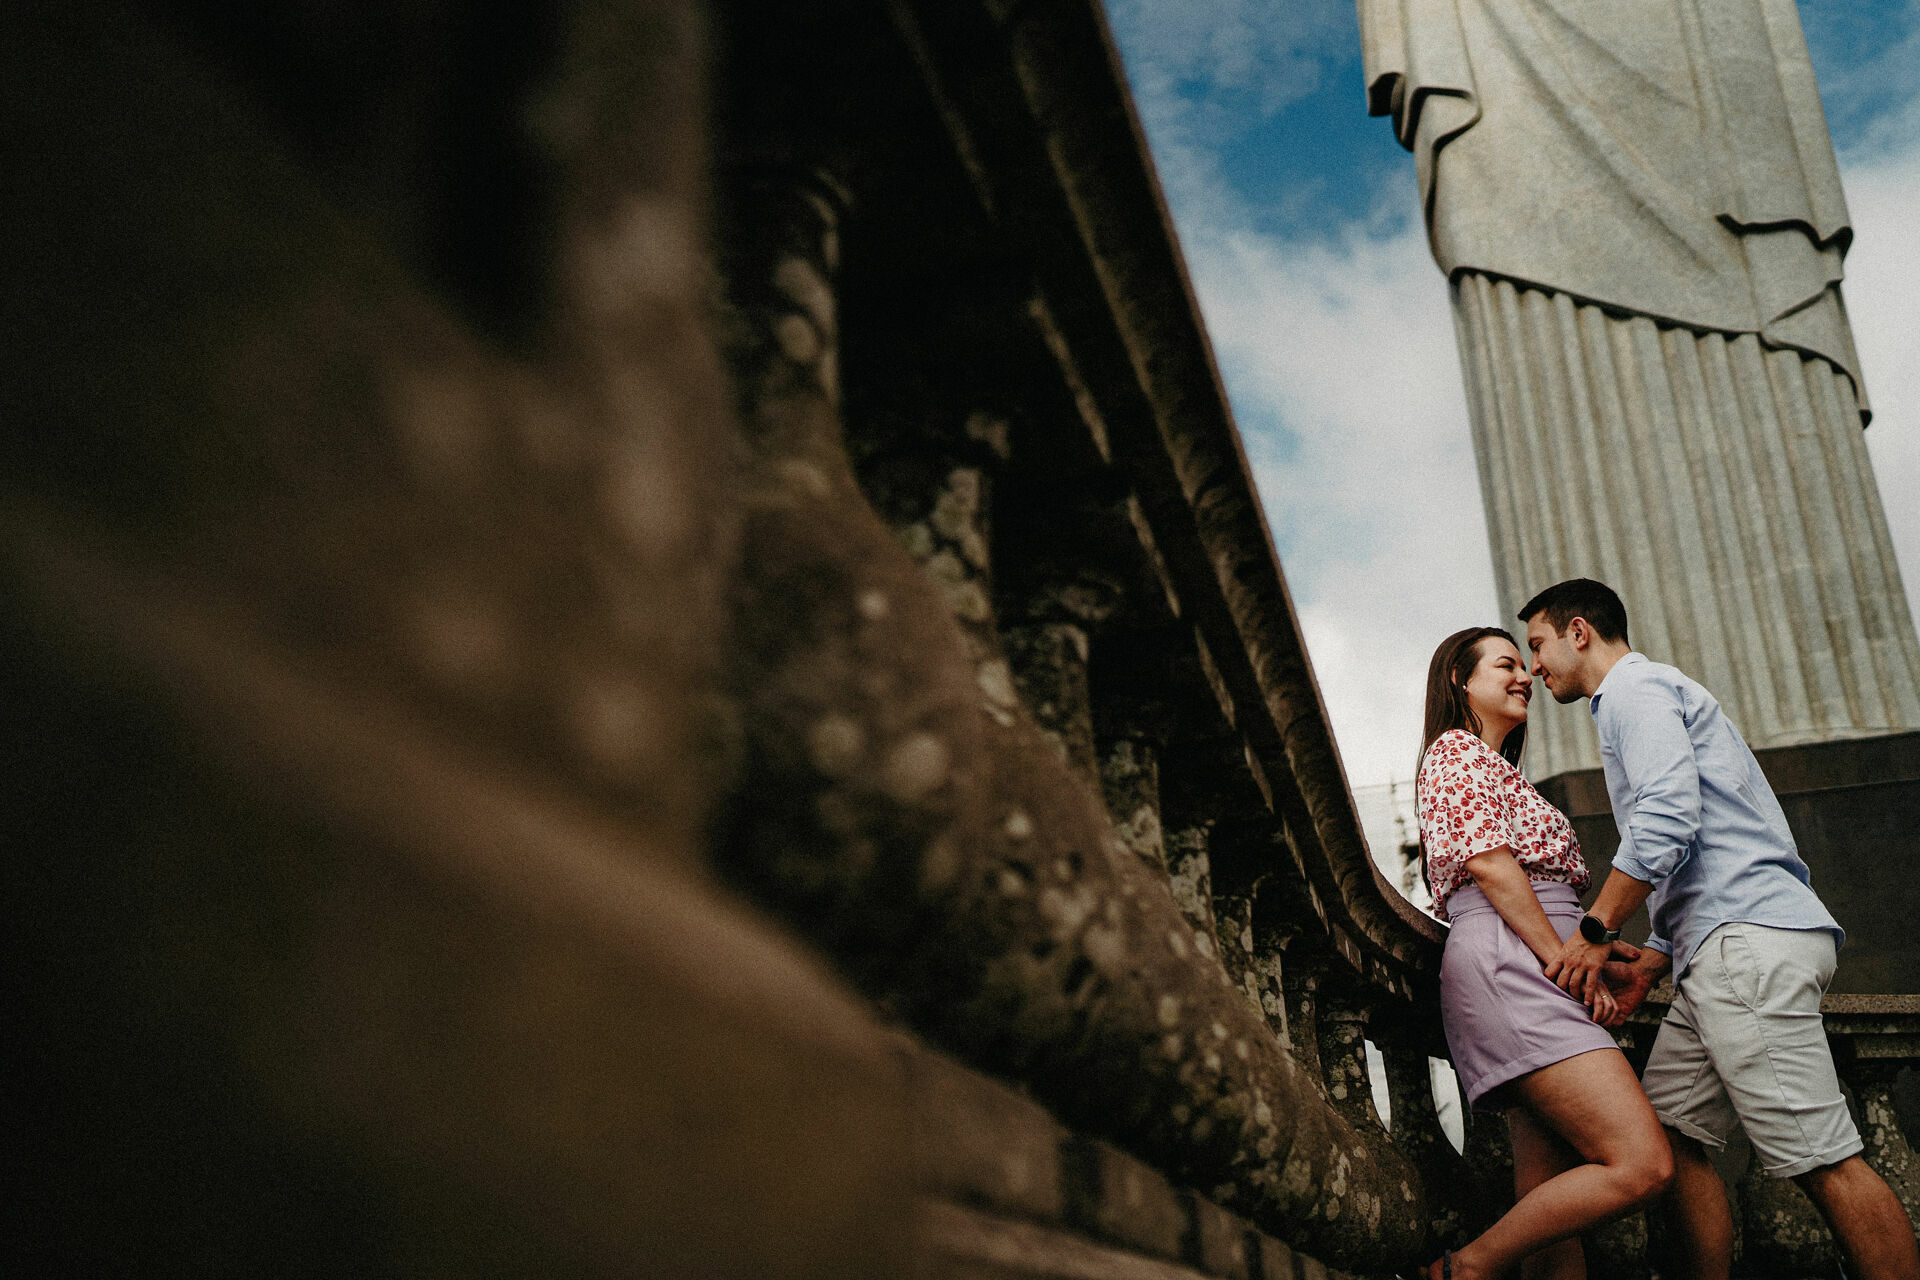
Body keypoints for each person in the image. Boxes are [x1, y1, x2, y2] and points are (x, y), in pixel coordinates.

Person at [1523, 579, 1920, 1280]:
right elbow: (1710, 844)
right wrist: (1655, 956)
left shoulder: (1633, 694)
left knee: (1824, 1161)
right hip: (1728, 940)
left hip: (1746, 945)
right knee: (1669, 1131)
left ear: (1578, 631)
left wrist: (1595, 928)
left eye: (1537, 645)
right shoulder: (1656, 693)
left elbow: (1670, 817)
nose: (1534, 667)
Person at [1414, 627, 1671, 1280]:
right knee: (1643, 1164)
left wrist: (1601, 951)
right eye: (1505, 664)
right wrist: (1568, 961)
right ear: (1458, 679)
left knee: (1550, 1209)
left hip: (1535, 957)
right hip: (1515, 964)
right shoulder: (1454, 751)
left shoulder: (1498, 769)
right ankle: (1466, 1270)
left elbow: (1543, 888)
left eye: (1524, 665)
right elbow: (1495, 871)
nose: (1524, 674)